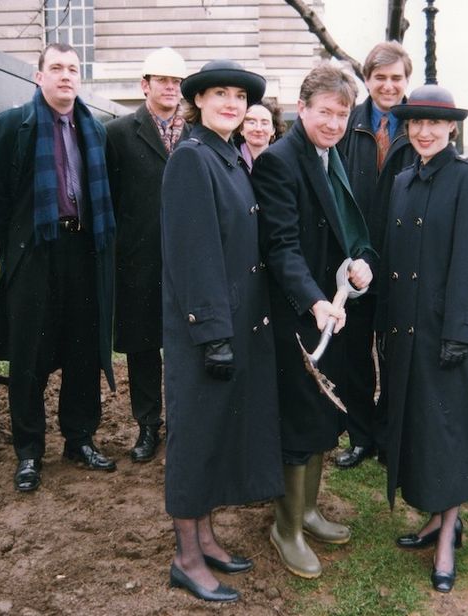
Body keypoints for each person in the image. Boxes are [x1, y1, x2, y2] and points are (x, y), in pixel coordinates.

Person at [160, 59, 283, 604]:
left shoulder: (229, 156)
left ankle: (205, 538)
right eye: (220, 95)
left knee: (215, 437)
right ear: (200, 101)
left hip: (234, 324)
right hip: (206, 331)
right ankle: (186, 558)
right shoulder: (192, 159)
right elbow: (194, 255)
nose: (232, 103)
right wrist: (213, 335)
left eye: (239, 96)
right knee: (194, 440)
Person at [0, 43, 117, 492]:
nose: (65, 76)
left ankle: (80, 440)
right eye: (56, 68)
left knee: (83, 352)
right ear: (39, 77)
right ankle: (29, 453)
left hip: (83, 251)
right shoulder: (10, 125)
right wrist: (17, 240)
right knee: (28, 356)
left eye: (73, 69)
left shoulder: (95, 130)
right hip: (35, 252)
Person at [251, 64, 374, 579]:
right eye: (324, 111)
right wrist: (312, 301)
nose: (333, 122)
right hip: (298, 314)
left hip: (331, 309)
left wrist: (357, 263)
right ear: (300, 109)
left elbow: (341, 229)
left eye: (342, 114)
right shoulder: (280, 161)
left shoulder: (331, 155)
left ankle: (306, 510)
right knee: (300, 418)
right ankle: (286, 528)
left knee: (324, 409)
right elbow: (280, 247)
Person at [380, 84, 468, 593]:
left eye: (435, 123)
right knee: (423, 431)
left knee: (448, 436)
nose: (424, 131)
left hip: (450, 333)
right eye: (416, 122)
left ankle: (449, 533)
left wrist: (460, 330)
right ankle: (434, 518)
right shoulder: (404, 179)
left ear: (451, 128)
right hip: (408, 331)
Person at [105, 47, 190, 463]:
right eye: (163, 81)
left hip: (187, 261)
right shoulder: (119, 133)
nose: (171, 88)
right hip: (138, 259)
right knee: (142, 347)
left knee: (184, 345)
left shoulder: (196, 133)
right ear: (145, 85)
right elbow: (111, 198)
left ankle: (181, 422)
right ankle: (147, 425)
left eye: (176, 82)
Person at [334, 41, 416, 469]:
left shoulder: (417, 125)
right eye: (380, 77)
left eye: (396, 78)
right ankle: (361, 435)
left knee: (394, 352)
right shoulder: (348, 123)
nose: (388, 85)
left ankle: (389, 435)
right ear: (367, 79)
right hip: (357, 259)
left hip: (403, 260)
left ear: (407, 81)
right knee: (353, 353)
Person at [235, 99, 284, 171]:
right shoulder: (229, 161)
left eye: (264, 123)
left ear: (273, 129)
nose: (258, 129)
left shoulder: (284, 161)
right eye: (252, 122)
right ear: (241, 129)